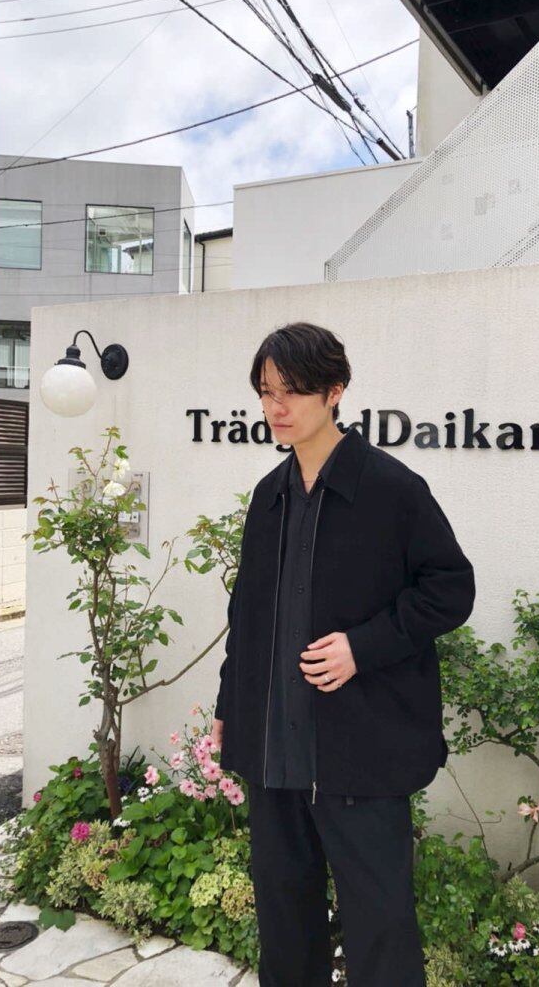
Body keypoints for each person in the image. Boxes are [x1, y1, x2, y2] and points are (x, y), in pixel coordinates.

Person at [211, 322, 476, 986]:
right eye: (266, 392)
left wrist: (364, 646)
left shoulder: (392, 489)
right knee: (284, 923)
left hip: (361, 753)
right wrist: (227, 705)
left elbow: (451, 588)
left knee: (380, 928)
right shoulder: (269, 496)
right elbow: (246, 614)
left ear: (334, 391)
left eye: (291, 392)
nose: (275, 407)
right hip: (274, 753)